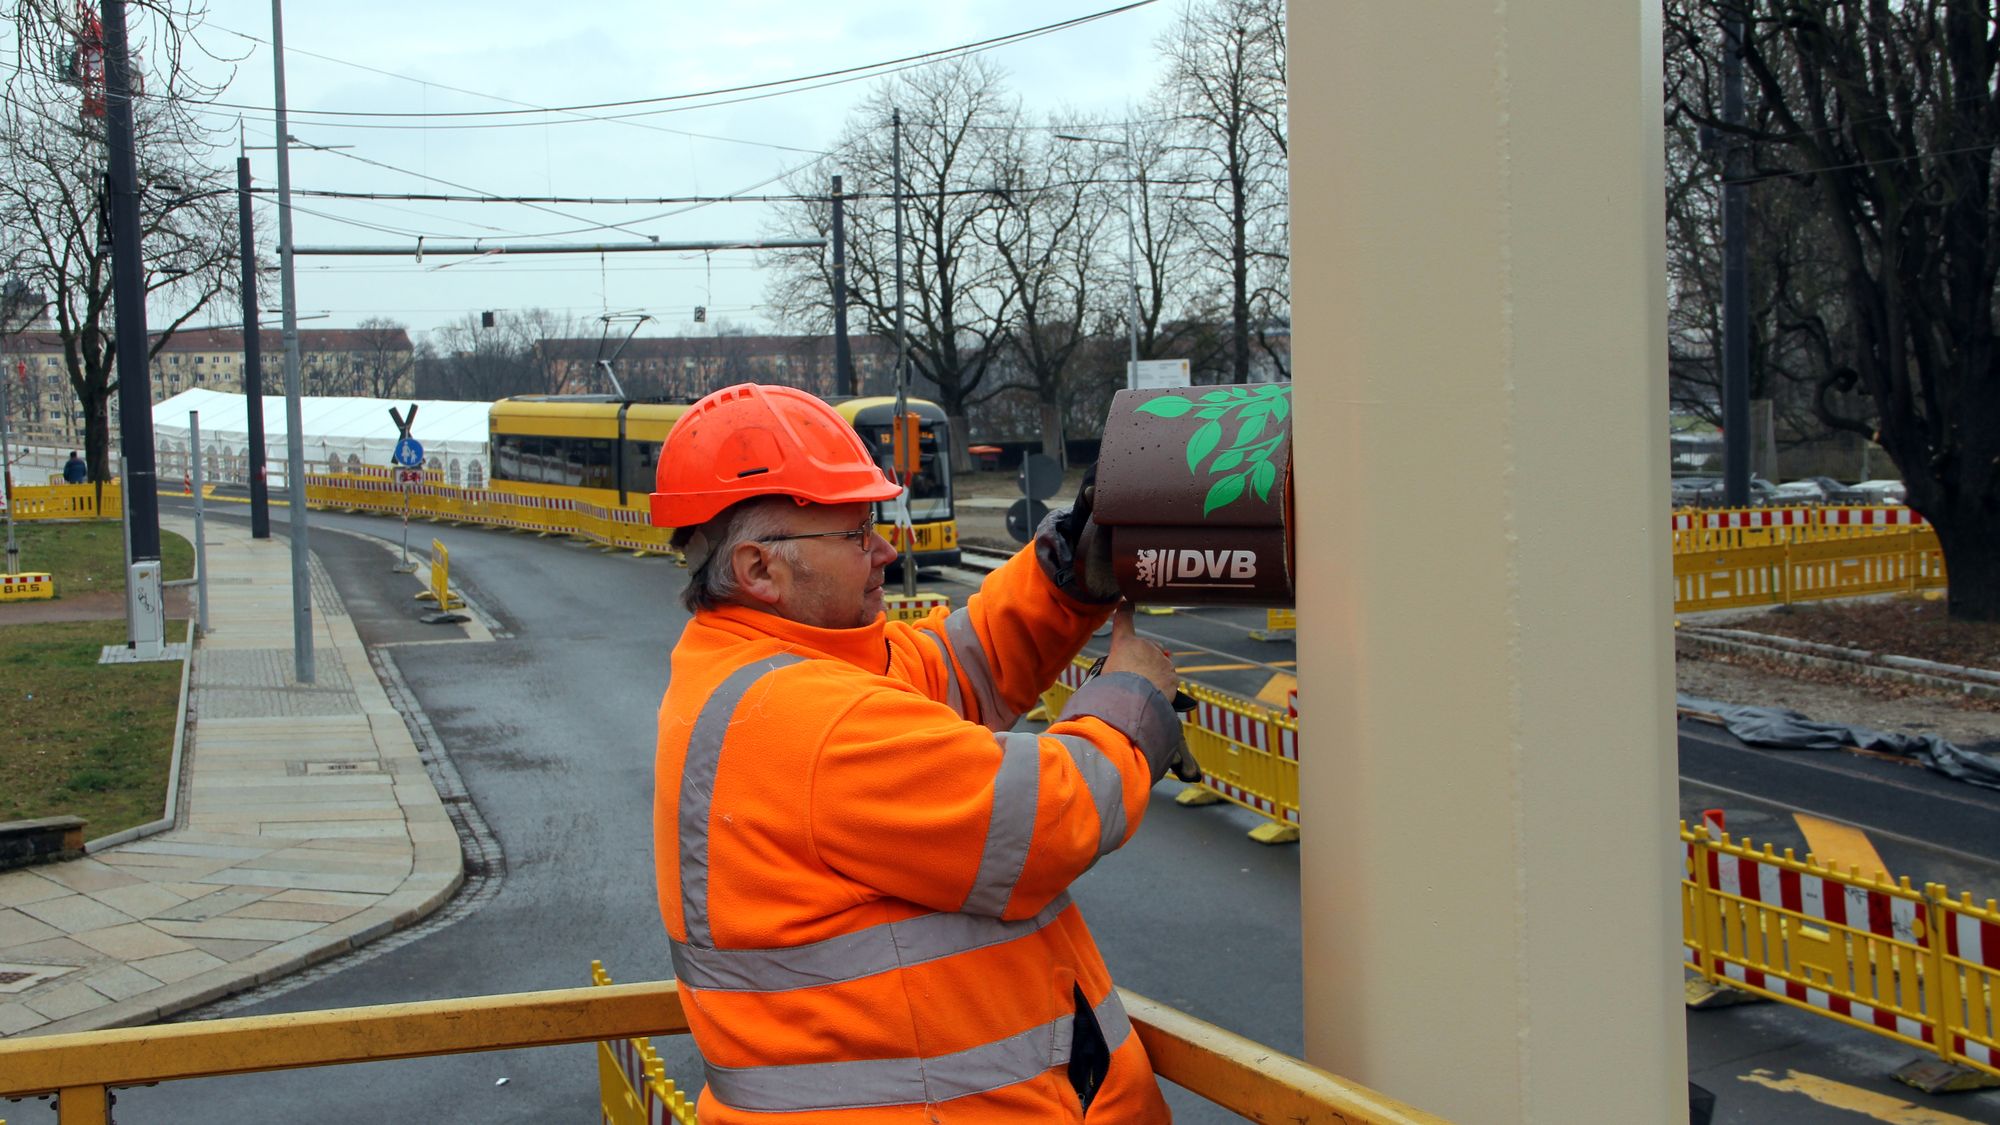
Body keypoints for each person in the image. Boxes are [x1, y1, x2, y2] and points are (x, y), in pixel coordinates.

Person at [651, 383, 1195, 1123]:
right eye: (856, 533)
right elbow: (1044, 817)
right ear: (758, 569)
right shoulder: (811, 720)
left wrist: (1065, 576)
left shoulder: (770, 669)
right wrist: (1133, 699)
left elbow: (950, 665)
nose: (885, 548)